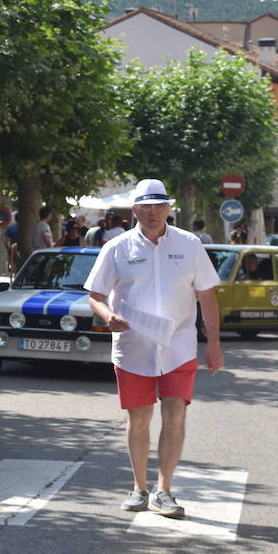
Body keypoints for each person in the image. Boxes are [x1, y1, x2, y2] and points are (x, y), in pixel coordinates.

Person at [84, 178, 223, 519]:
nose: (153, 211)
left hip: (178, 345)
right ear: (134, 210)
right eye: (145, 206)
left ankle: (164, 490)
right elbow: (95, 295)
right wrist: (108, 316)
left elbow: (207, 295)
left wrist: (215, 344)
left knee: (175, 413)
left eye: (159, 205)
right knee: (140, 417)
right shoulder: (116, 248)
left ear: (168, 208)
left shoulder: (189, 245)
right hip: (134, 346)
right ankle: (139, 487)